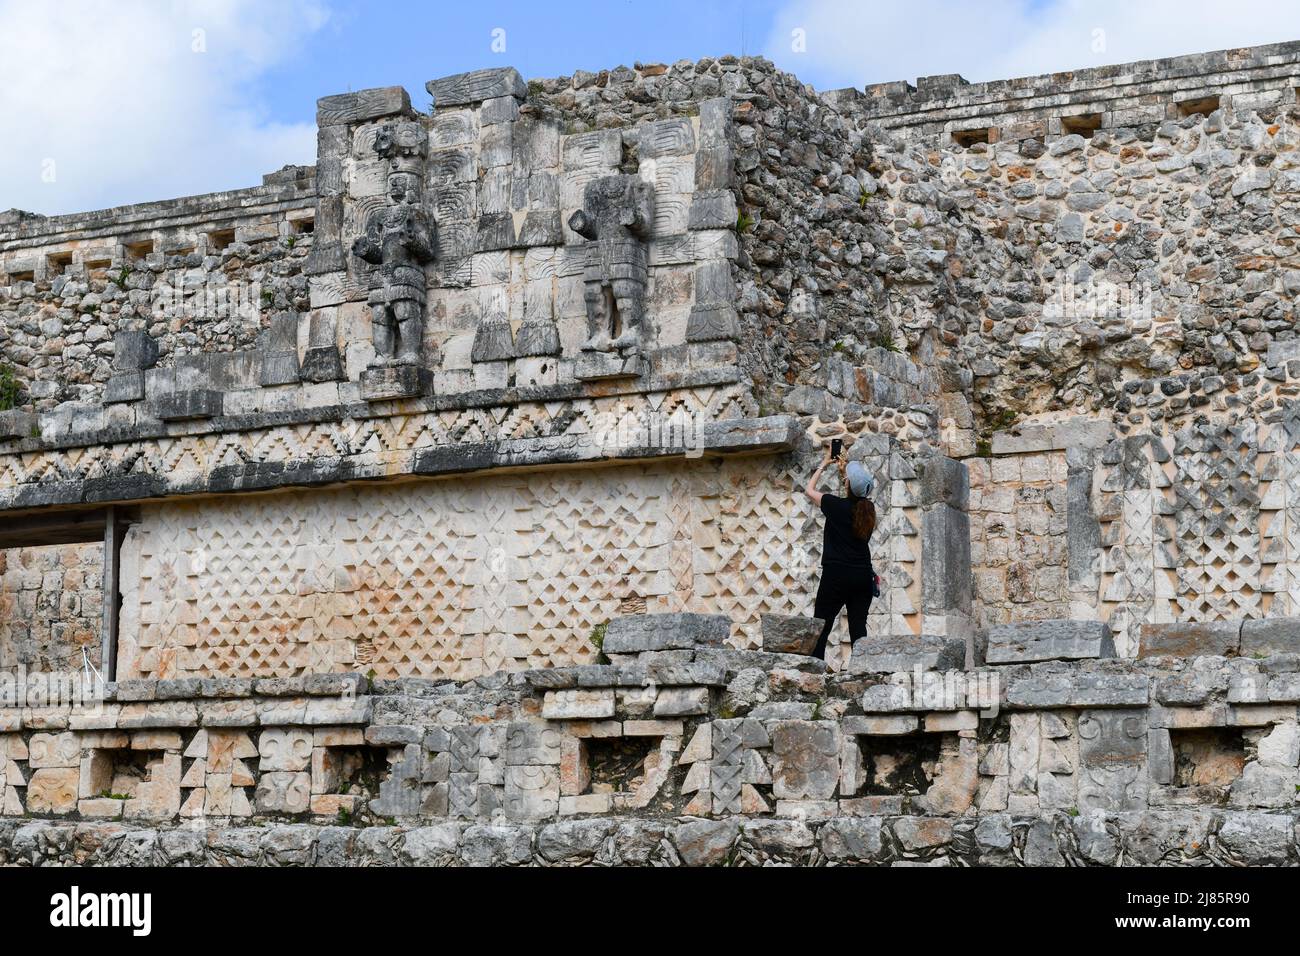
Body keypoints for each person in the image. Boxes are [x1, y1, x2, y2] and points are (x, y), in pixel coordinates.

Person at [802, 447, 877, 661]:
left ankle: (815, 670)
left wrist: (824, 464)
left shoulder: (835, 505)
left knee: (821, 625)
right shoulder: (868, 511)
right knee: (858, 629)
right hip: (863, 576)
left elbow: (810, 490)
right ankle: (863, 670)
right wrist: (845, 474)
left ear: (848, 486)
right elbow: (855, 494)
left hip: (836, 574)